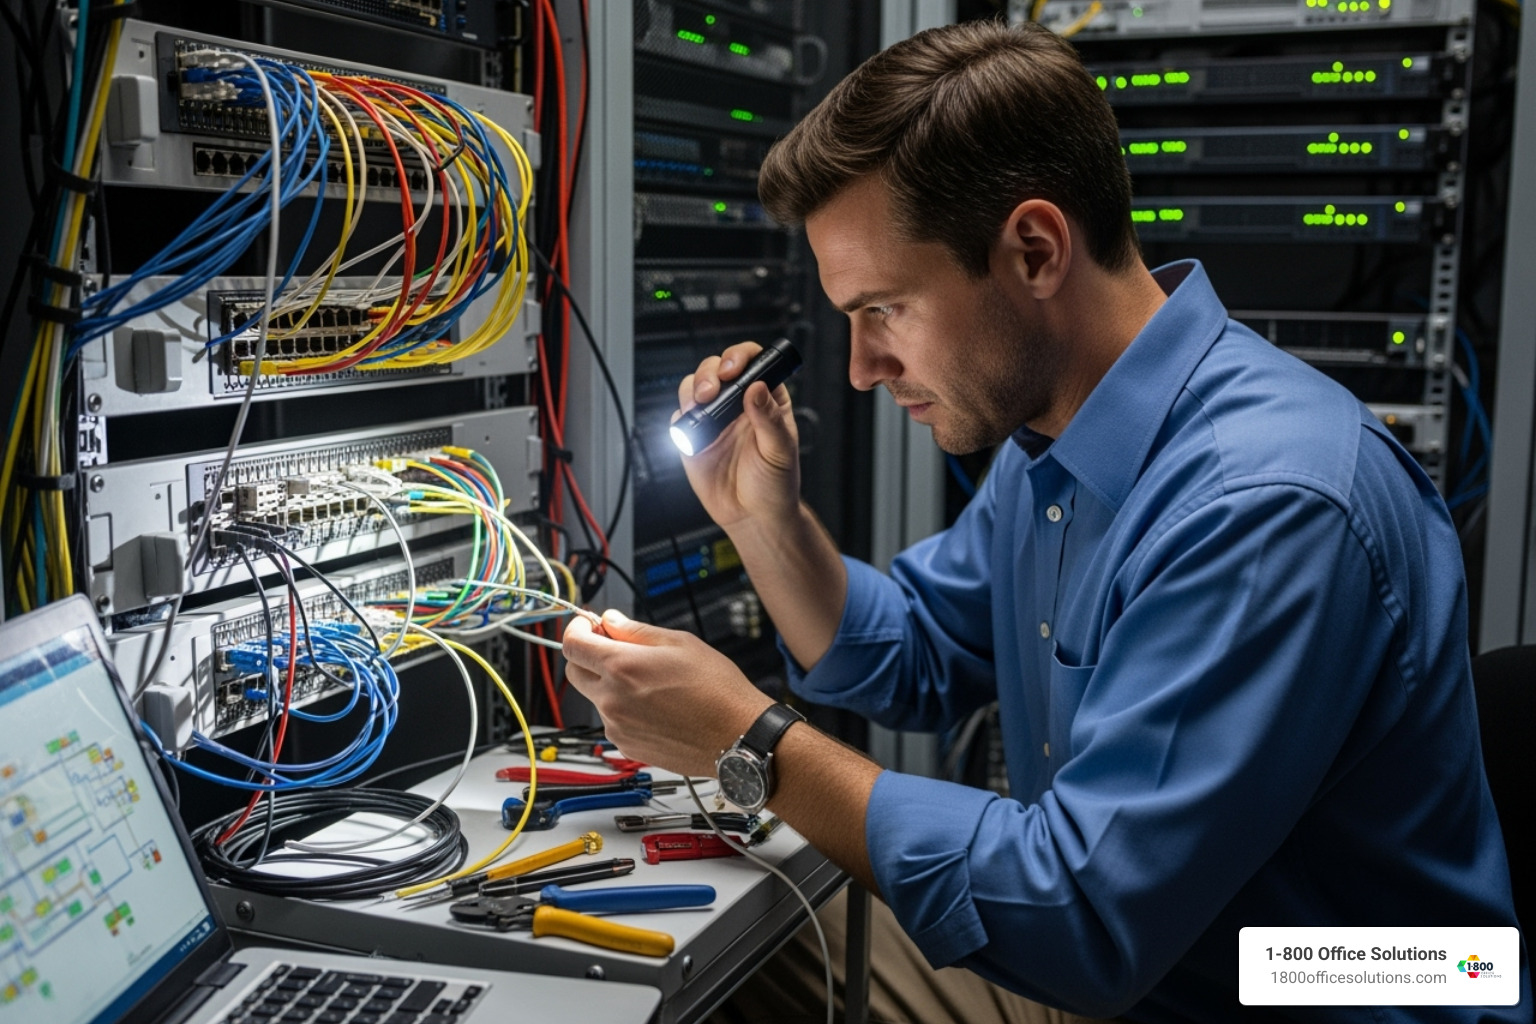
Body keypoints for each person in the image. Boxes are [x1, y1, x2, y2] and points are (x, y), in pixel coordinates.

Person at [562, 19, 1528, 1024]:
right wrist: (763, 518)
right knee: (710, 967)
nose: (858, 368)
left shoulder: (1270, 505)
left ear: (1033, 249)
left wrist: (749, 737)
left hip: (1305, 992)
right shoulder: (1059, 438)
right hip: (1158, 961)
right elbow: (918, 652)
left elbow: (1081, 915)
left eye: (884, 308)